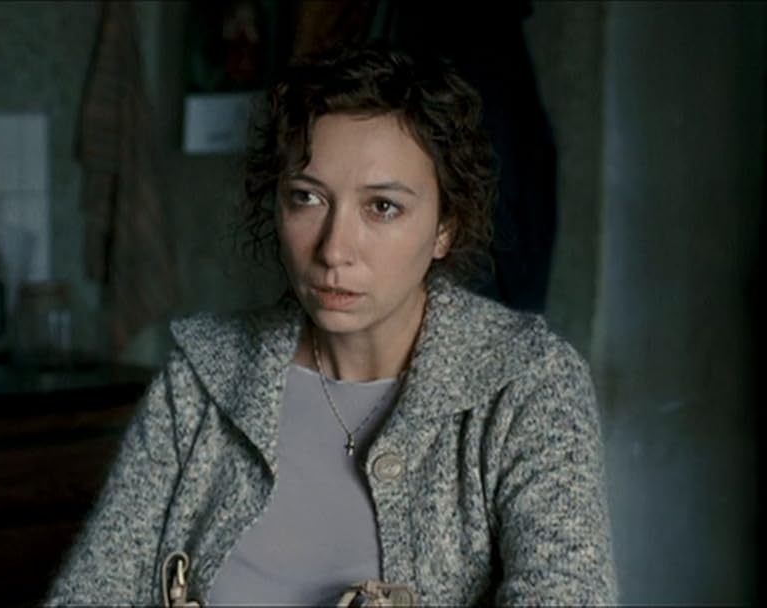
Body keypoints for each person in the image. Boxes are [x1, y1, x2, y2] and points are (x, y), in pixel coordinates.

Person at [46, 46, 617, 606]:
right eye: (307, 198)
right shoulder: (201, 377)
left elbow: (567, 594)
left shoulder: (527, 382)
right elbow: (91, 591)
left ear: (445, 227)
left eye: (382, 207)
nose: (334, 249)